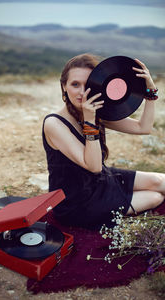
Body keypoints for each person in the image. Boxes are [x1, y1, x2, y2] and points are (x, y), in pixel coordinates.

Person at [42, 53, 165, 230]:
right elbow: (93, 166)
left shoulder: (95, 111)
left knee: (159, 181)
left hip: (101, 181)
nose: (82, 92)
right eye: (75, 84)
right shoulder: (54, 123)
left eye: (88, 84)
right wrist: (90, 120)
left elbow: (142, 128)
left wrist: (150, 92)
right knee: (154, 197)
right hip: (77, 203)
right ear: (64, 86)